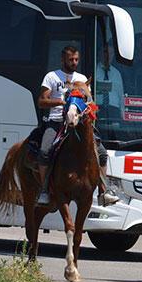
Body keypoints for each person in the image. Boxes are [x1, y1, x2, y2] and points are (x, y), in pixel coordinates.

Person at [37, 46, 118, 207]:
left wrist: (90, 109)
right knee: (45, 151)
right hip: (57, 121)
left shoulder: (81, 79)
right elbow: (42, 101)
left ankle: (104, 190)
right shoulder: (52, 77)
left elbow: (90, 102)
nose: (74, 63)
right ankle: (44, 190)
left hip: (80, 123)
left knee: (101, 153)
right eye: (70, 60)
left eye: (76, 60)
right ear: (63, 59)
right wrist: (60, 102)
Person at [95, 43, 125, 118]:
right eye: (106, 53)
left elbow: (121, 95)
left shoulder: (116, 73)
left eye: (111, 53)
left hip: (114, 110)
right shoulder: (93, 70)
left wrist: (123, 115)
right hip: (97, 108)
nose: (108, 56)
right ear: (99, 53)